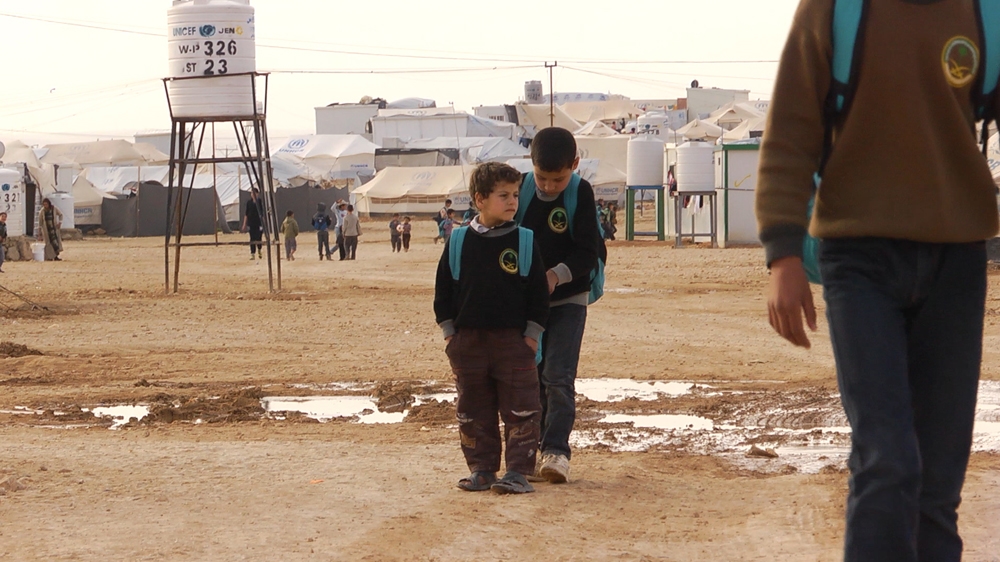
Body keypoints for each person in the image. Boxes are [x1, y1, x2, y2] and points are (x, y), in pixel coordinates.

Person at [755, 3, 999, 559]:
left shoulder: (985, 11)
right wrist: (783, 256)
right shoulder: (835, 9)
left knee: (939, 480)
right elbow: (791, 127)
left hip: (957, 261)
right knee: (886, 459)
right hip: (858, 257)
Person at [433, 161, 549, 495]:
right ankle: (482, 469)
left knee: (522, 408)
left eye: (515, 195)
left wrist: (531, 337)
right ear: (479, 199)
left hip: (514, 344)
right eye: (503, 195)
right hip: (467, 344)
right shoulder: (458, 241)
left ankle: (517, 472)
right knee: (473, 410)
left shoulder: (525, 240)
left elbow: (538, 295)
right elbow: (443, 291)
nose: (512, 201)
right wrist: (450, 334)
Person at [517, 127, 600, 484]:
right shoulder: (518, 190)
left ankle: (556, 452)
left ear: (575, 165)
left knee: (558, 376)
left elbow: (589, 251)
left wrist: (555, 275)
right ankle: (529, 449)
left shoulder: (581, 192)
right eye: (542, 178)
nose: (549, 187)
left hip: (569, 299)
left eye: (558, 179)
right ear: (531, 165)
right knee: (530, 375)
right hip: (526, 304)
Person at [240, 188, 263, 260]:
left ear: (257, 194)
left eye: (254, 193)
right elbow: (246, 214)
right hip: (251, 223)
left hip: (259, 223)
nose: (253, 195)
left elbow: (263, 213)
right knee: (252, 238)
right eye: (252, 193)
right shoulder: (249, 202)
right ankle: (252, 253)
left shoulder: (260, 202)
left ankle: (259, 250)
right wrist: (244, 224)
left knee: (259, 237)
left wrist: (263, 222)